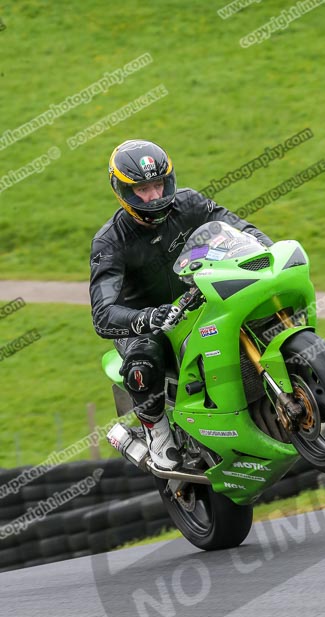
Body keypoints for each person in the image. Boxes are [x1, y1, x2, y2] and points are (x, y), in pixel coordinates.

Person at [90, 139, 273, 470]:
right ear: (123, 191)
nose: (155, 196)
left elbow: (238, 228)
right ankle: (157, 434)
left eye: (159, 184)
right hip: (146, 322)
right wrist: (148, 318)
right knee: (144, 356)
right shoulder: (110, 242)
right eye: (143, 189)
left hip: (197, 298)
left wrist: (265, 248)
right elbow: (103, 314)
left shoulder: (189, 203)